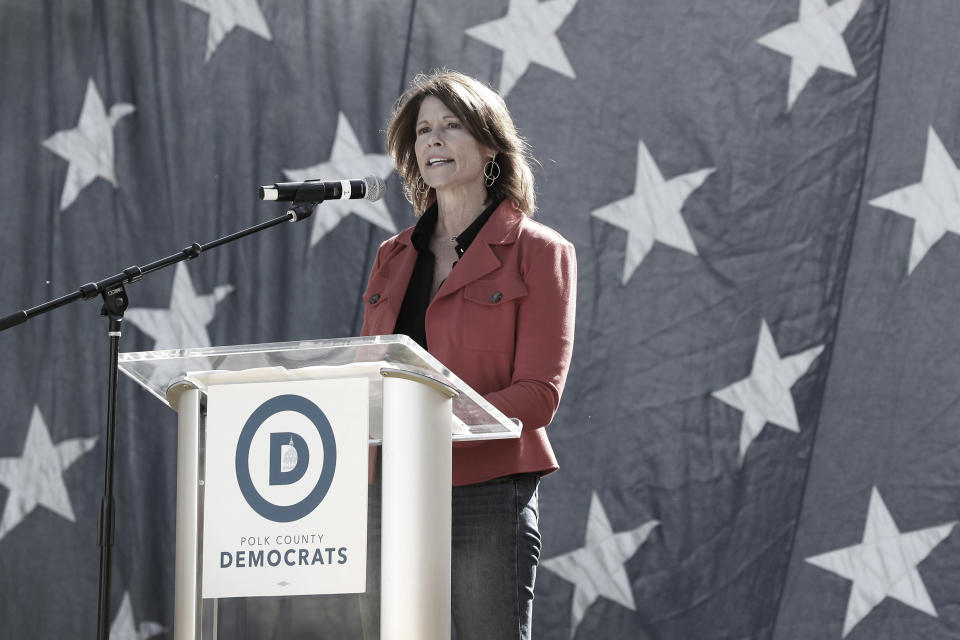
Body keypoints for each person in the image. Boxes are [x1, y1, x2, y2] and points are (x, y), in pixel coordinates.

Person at [359, 69, 577, 640]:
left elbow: (537, 396)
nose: (432, 139)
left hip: (487, 488)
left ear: (489, 147)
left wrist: (428, 427)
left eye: (451, 126)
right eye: (423, 130)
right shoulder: (392, 255)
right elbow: (371, 374)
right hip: (391, 490)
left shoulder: (539, 250)